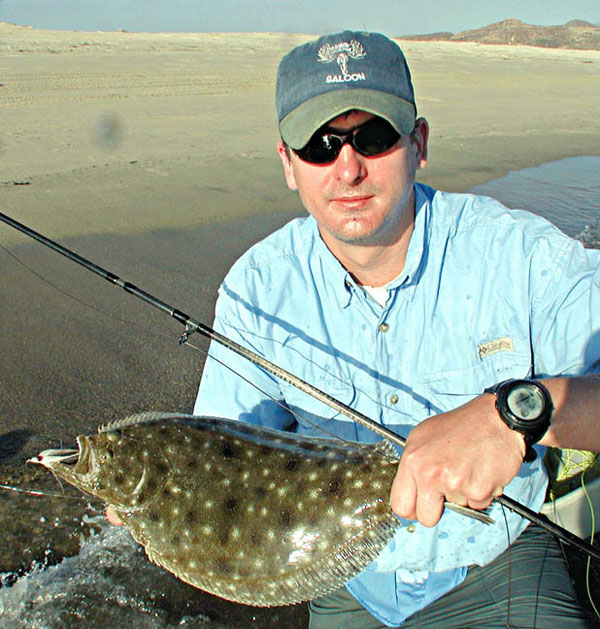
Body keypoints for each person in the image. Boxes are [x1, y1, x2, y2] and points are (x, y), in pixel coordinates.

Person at [117, 31, 600, 627]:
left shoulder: (522, 257)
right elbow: (225, 450)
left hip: (493, 562)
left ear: (417, 143)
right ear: (288, 165)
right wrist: (160, 493)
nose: (348, 169)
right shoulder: (259, 288)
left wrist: (520, 412)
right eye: (321, 147)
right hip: (346, 577)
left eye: (372, 138)